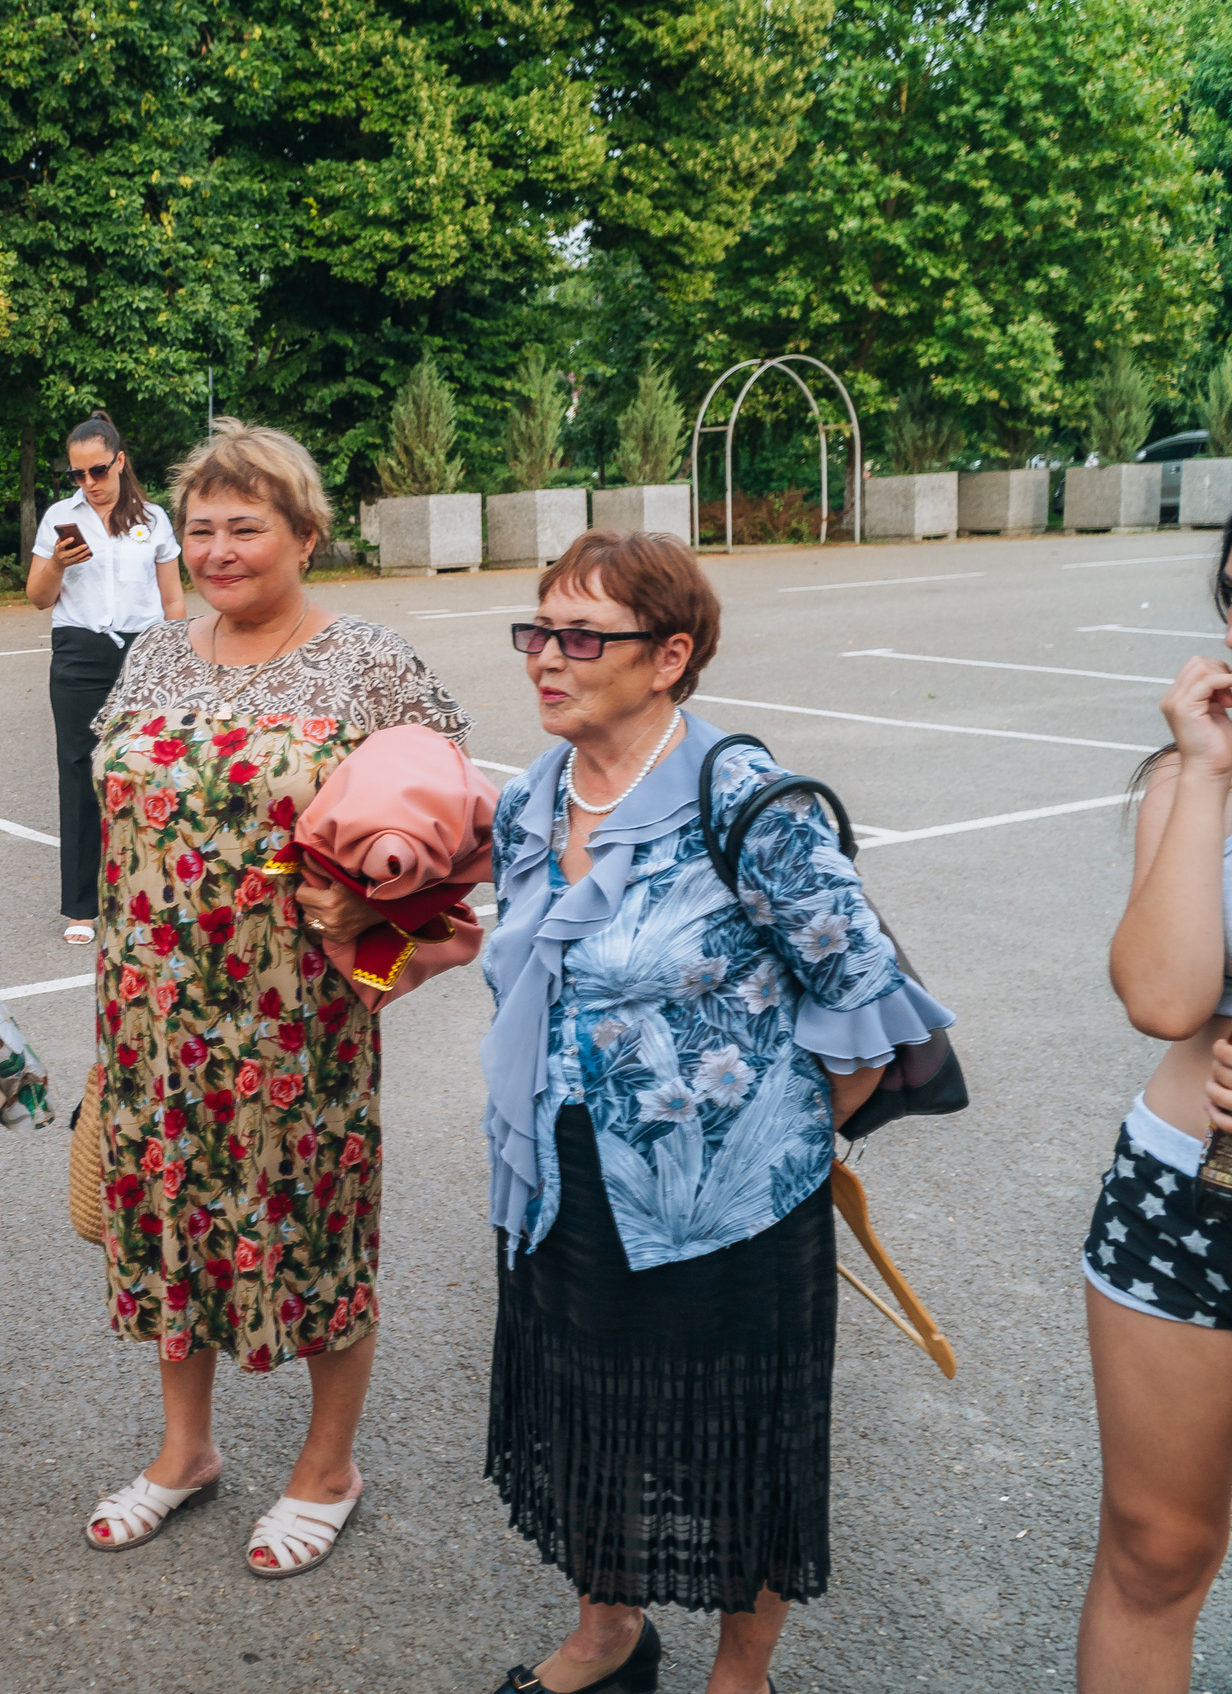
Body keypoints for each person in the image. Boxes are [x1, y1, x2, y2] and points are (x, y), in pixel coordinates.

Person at [476, 529, 951, 1694]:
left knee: (740, 1446)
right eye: (536, 629)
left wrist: (765, 1147)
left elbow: (863, 1003)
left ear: (668, 656)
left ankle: (742, 1674)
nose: (545, 656)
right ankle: (608, 1635)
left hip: (732, 1207)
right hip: (563, 1179)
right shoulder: (530, 800)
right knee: (592, 1420)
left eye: (580, 636)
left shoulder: (749, 804)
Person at [78, 418, 469, 1577]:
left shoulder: (368, 662)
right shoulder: (153, 652)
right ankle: (183, 1452)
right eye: (199, 528)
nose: (218, 548)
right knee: (168, 1227)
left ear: (305, 534)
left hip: (293, 1015)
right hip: (150, 1011)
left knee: (309, 1229)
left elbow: (447, 813)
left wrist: (369, 914)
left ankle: (327, 1467)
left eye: (246, 527)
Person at [1085, 526, 1232, 1691]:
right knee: (1154, 1553)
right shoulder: (1197, 775)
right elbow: (1163, 993)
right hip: (1187, 1193)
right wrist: (1209, 769)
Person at [28, 411, 184, 946]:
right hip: (79, 652)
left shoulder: (154, 519)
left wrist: (176, 653)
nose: (89, 484)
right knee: (78, 773)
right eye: (77, 474)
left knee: (148, 771)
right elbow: (38, 597)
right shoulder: (58, 518)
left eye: (98, 470)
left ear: (120, 461)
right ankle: (81, 907)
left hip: (144, 651)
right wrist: (58, 565)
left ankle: (150, 891)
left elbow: (173, 599)